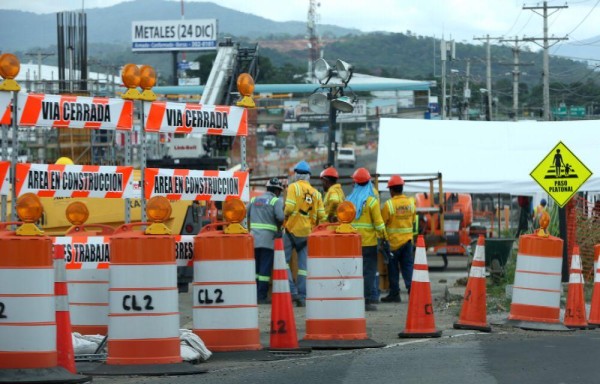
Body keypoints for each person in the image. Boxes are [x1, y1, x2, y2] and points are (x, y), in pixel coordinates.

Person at [284, 160, 327, 307]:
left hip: (291, 231)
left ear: (296, 174)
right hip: (307, 233)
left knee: (282, 262)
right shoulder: (316, 193)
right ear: (308, 176)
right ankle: (302, 295)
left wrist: (283, 216)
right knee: (303, 267)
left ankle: (292, 291)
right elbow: (322, 216)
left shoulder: (293, 187)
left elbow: (289, 209)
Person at [347, 167, 387, 311]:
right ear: (369, 182)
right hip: (369, 243)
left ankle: (351, 300)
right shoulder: (371, 201)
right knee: (368, 272)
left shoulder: (349, 201)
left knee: (353, 271)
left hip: (351, 242)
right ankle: (365, 301)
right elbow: (379, 223)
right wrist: (384, 237)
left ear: (355, 183)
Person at [248, 177, 285, 304]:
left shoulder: (254, 199)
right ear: (276, 190)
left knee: (256, 269)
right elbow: (280, 217)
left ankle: (253, 295)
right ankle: (262, 296)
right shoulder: (276, 201)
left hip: (253, 240)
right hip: (268, 240)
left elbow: (244, 214)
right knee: (264, 270)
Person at [380, 175, 415, 303]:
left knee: (393, 269)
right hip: (407, 241)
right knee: (407, 266)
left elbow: (382, 223)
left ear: (392, 190)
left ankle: (395, 294)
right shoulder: (410, 203)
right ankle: (412, 291)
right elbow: (412, 219)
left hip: (393, 243)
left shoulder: (389, 205)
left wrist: (382, 239)